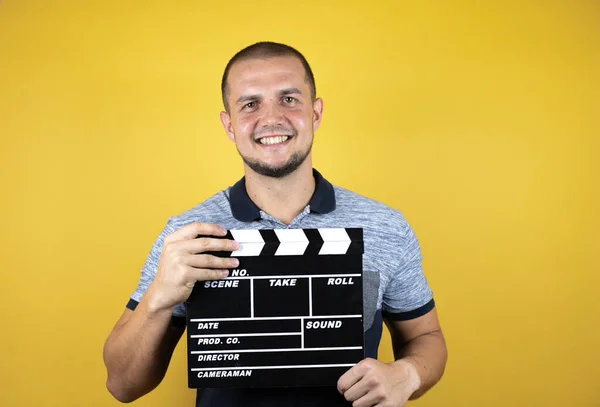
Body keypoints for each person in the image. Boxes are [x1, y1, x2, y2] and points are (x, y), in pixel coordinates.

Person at [103, 41, 447, 407]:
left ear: (315, 113)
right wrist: (159, 296)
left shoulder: (385, 226)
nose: (271, 119)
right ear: (229, 124)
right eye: (250, 104)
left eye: (289, 99)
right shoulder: (189, 234)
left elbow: (426, 335)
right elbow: (123, 386)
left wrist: (408, 374)